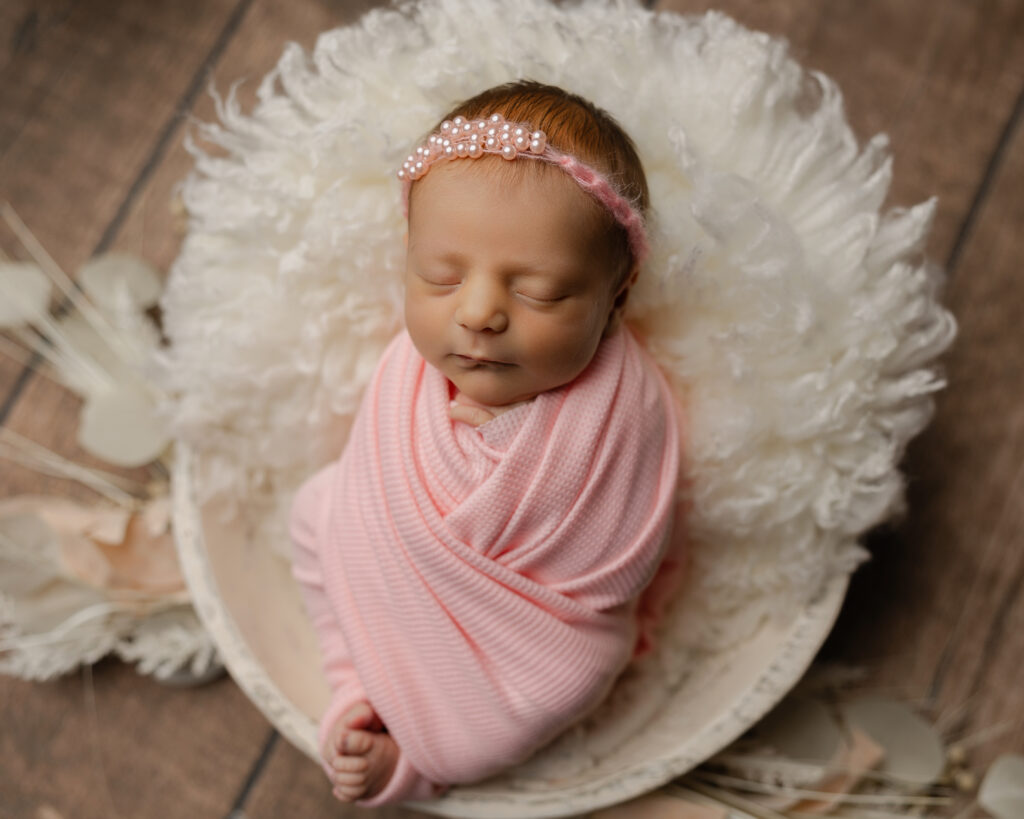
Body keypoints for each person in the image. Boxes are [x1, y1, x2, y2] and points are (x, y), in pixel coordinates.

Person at [288, 80, 685, 806]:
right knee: (317, 513)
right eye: (439, 276)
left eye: (536, 293)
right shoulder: (404, 374)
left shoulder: (626, 410)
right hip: (388, 565)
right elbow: (369, 488)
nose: (476, 313)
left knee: (569, 678)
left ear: (615, 297)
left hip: (531, 637)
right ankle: (359, 687)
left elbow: (618, 566)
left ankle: (419, 759)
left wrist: (496, 454)